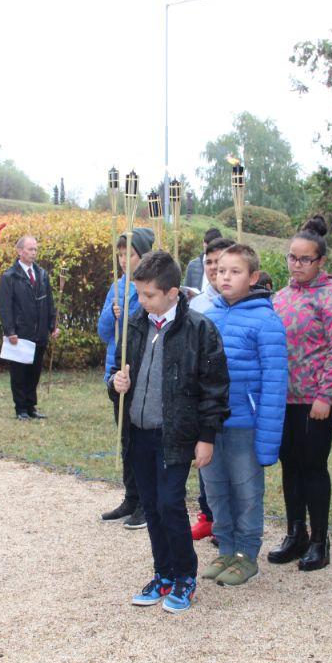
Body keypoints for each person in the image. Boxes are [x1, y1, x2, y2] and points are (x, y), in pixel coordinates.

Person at [108, 250, 230, 613]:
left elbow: (214, 388)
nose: (142, 301)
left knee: (169, 504)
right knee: (151, 506)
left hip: (175, 436)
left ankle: (185, 576)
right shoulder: (135, 324)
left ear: (173, 293)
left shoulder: (199, 330)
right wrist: (116, 383)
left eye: (149, 295)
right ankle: (162, 573)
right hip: (138, 433)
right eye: (139, 294)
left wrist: (206, 436)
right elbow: (117, 369)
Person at [200, 244, 288, 586]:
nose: (225, 276)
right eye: (221, 270)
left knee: (246, 492)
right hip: (212, 424)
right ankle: (226, 548)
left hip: (245, 425)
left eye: (234, 271)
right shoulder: (208, 317)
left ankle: (246, 554)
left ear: (253, 278)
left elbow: (275, 384)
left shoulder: (266, 320)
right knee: (216, 490)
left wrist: (267, 440)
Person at [270, 216, 332, 571]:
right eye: (292, 257)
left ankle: (319, 539)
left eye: (305, 259)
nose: (297, 264)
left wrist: (325, 395)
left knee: (313, 466)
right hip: (283, 398)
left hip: (315, 399)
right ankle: (295, 532)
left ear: (320, 261)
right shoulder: (281, 297)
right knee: (290, 465)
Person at [97, 228, 154, 528]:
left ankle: (146, 501)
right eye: (119, 254)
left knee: (141, 440)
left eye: (128, 254)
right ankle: (131, 497)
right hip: (116, 369)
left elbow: (147, 322)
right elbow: (104, 331)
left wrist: (129, 311)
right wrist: (113, 312)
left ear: (142, 256)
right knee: (125, 438)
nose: (122, 260)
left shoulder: (150, 286)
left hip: (139, 368)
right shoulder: (116, 287)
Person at [187, 236, 235, 541]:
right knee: (205, 457)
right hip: (202, 395)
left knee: (231, 465)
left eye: (221, 262)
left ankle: (229, 522)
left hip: (234, 397)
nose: (215, 268)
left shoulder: (240, 302)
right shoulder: (196, 303)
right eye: (209, 262)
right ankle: (208, 515)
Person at [0, 235, 58, 420]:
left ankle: (31, 407)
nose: (34, 253)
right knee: (19, 373)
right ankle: (21, 408)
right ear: (19, 251)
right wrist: (10, 331)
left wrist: (52, 326)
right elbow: (5, 306)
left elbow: (49, 302)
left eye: (35, 249)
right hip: (20, 333)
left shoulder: (42, 275)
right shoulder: (9, 276)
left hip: (39, 333)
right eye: (30, 249)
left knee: (34, 372)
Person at [184, 227, 222, 293]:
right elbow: (186, 290)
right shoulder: (193, 265)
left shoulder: (224, 264)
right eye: (208, 262)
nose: (212, 267)